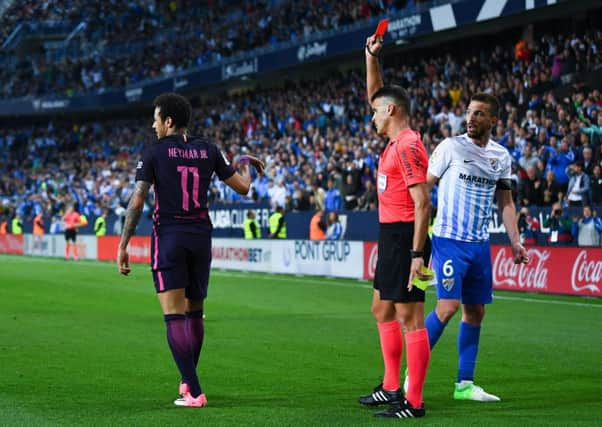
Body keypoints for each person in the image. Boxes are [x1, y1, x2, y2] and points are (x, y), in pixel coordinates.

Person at [116, 92, 264, 408]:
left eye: (155, 118)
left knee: (174, 316)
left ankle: (194, 391)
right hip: (201, 236)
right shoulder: (208, 149)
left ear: (168, 121)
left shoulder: (153, 152)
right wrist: (244, 163)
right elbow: (243, 186)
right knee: (194, 312)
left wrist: (124, 244)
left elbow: (138, 200)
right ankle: (188, 381)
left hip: (170, 235)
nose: (152, 125)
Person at [418, 92, 529, 402]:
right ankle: (412, 374)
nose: (471, 118)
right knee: (447, 307)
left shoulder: (501, 156)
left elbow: (505, 201)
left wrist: (515, 241)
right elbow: (425, 188)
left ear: (493, 120)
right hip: (449, 240)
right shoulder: (450, 147)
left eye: (479, 113)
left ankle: (464, 385)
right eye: (469, 112)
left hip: (479, 244)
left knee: (476, 311)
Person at [358, 34, 432, 419]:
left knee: (410, 317)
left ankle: (413, 402)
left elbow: (423, 203)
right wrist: (370, 56)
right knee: (381, 310)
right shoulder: (394, 140)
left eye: (375, 112)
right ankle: (390, 387)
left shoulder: (407, 145)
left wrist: (418, 255)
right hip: (392, 235)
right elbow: (377, 94)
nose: (371, 116)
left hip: (408, 237)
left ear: (390, 111)